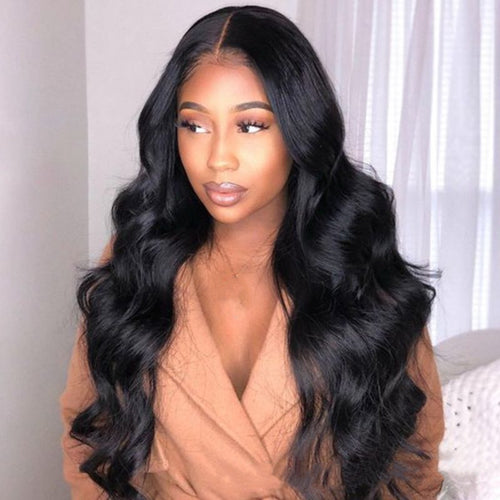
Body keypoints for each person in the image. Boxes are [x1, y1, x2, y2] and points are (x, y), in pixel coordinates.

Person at [60, 5, 445, 499]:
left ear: (300, 128)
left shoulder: (355, 265)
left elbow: (413, 463)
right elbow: (88, 439)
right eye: (194, 125)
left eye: (250, 126)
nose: (218, 158)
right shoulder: (140, 260)